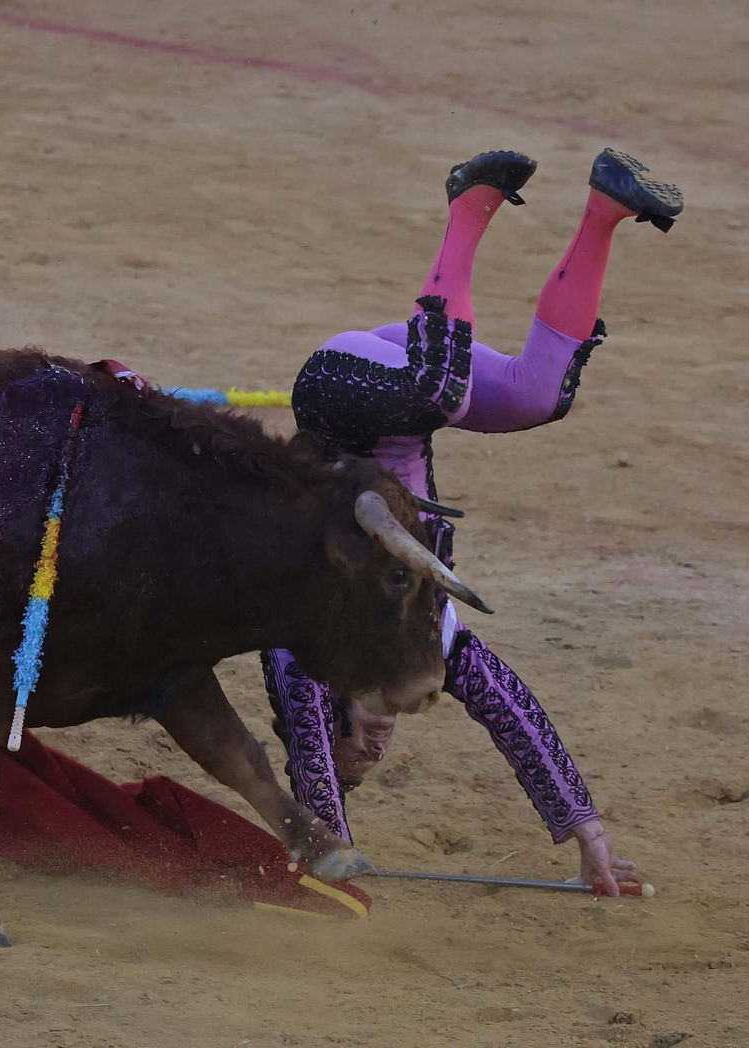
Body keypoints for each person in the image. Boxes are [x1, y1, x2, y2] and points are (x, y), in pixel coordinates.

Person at [264, 148, 683, 895]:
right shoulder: (429, 644)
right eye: (376, 759)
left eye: (359, 747)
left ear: (334, 711)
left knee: (442, 390)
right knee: (537, 394)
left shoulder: (304, 647)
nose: (379, 745)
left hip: (337, 392)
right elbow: (516, 717)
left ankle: (469, 206)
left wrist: (334, 847)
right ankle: (606, 212)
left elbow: (314, 781)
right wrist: (589, 835)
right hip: (405, 392)